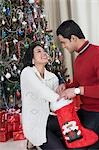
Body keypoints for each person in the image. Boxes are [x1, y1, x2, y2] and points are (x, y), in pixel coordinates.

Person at [56, 19, 99, 149]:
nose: (63, 47)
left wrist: (76, 91)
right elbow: (79, 82)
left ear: (73, 38)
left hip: (96, 112)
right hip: (85, 110)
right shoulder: (79, 58)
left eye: (63, 42)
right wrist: (67, 86)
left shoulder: (97, 54)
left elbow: (80, 88)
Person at [20, 42, 66, 150]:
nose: (44, 53)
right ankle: (34, 142)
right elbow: (41, 90)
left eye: (44, 51)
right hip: (34, 123)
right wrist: (61, 98)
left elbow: (54, 104)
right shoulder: (27, 72)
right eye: (38, 51)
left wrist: (62, 91)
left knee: (73, 128)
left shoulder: (53, 77)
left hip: (48, 118)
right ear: (32, 59)